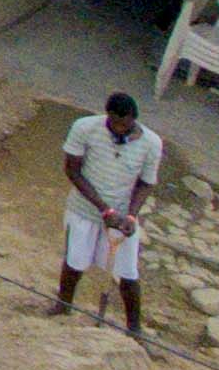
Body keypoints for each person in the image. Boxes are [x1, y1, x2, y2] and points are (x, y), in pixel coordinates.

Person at [57, 89, 164, 334]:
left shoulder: (152, 143)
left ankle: (134, 329)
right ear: (107, 115)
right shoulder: (84, 128)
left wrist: (131, 216)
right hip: (84, 210)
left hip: (122, 216)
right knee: (74, 263)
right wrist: (104, 210)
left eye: (123, 125)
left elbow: (147, 182)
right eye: (113, 123)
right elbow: (72, 171)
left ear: (133, 120)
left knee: (127, 274)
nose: (117, 128)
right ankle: (62, 307)